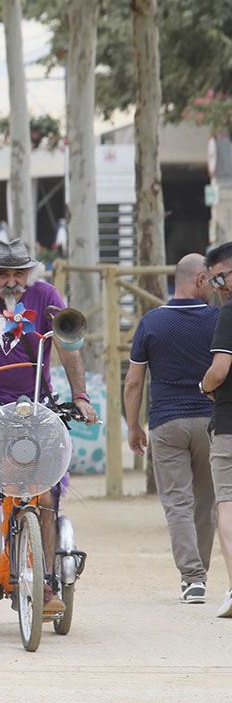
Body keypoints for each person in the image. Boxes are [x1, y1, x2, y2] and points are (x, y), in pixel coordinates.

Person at [0, 238, 98, 613]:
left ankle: (44, 583)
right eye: (2, 274)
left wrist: (80, 397)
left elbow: (67, 347)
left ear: (29, 274)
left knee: (43, 496)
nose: (10, 281)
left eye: (18, 273)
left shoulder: (46, 295)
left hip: (34, 402)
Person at [124, 253, 218, 603]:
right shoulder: (218, 320)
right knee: (206, 502)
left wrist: (134, 425)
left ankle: (191, 578)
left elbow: (134, 382)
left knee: (177, 502)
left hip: (166, 422)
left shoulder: (151, 322)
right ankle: (200, 573)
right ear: (199, 280)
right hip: (211, 421)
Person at [199, 241, 232, 617]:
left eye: (223, 276)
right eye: (214, 279)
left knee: (227, 502)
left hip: (228, 423)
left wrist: (205, 386)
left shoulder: (228, 315)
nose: (219, 286)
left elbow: (220, 369)